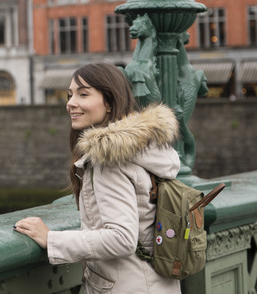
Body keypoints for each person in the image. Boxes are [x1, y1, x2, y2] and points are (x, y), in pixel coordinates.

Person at [14, 62, 181, 293]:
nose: (71, 103)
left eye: (83, 94)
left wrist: (52, 239)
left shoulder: (109, 160)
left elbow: (122, 239)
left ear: (110, 104)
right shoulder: (145, 151)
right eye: (70, 94)